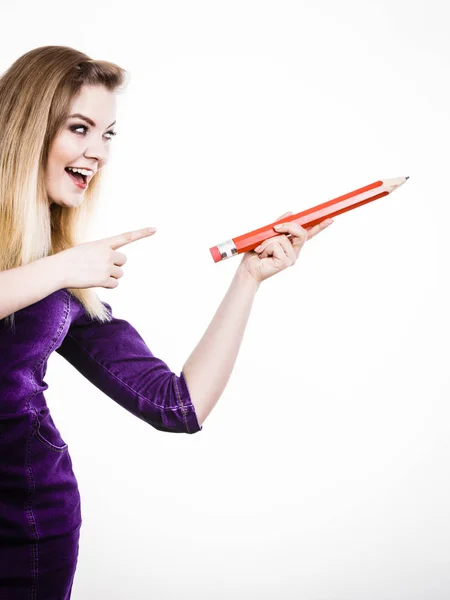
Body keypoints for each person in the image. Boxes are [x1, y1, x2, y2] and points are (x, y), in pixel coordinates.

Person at [0, 45, 333, 599]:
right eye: (80, 128)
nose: (97, 152)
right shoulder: (60, 267)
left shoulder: (58, 273)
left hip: (27, 525)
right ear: (28, 126)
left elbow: (180, 406)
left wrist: (248, 278)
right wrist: (62, 267)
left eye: (108, 135)